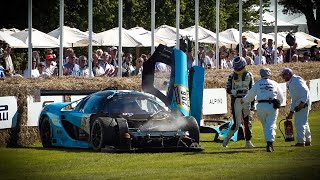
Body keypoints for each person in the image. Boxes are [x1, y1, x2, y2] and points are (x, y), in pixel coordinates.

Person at [241, 68, 284, 152]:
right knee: (270, 124)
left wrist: (244, 100)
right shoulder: (274, 83)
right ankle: (269, 143)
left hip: (260, 106)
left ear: (261, 74)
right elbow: (281, 96)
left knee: (265, 125)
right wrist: (279, 103)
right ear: (269, 74)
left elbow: (250, 96)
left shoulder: (258, 84)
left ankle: (269, 142)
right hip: (272, 106)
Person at [223, 56, 255, 148]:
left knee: (247, 122)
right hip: (236, 100)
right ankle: (226, 141)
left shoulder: (249, 75)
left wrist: (252, 104)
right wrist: (235, 92)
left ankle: (248, 141)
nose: (238, 69)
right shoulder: (231, 76)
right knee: (237, 124)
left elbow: (252, 89)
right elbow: (228, 89)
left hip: (246, 100)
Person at [280, 68, 312, 146]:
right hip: (302, 103)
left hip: (302, 103)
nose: (283, 77)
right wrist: (291, 112)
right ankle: (307, 140)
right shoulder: (293, 81)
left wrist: (302, 104)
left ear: (288, 74)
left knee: (299, 123)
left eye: (284, 75)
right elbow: (294, 99)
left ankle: (301, 142)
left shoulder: (296, 81)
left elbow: (305, 91)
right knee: (304, 122)